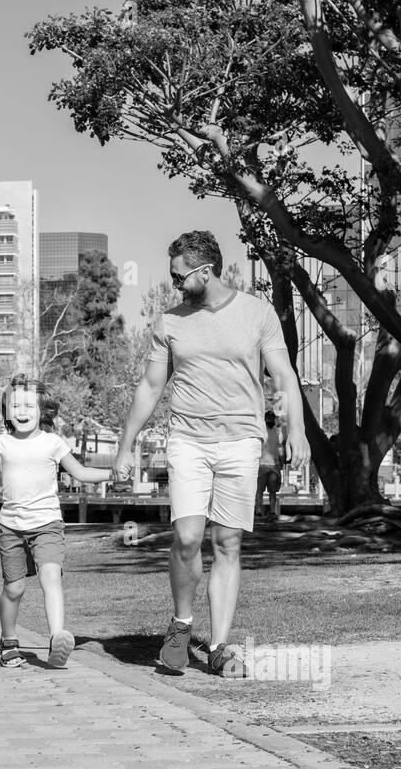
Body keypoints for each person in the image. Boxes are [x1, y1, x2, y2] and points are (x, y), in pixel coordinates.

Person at [113, 230, 307, 678]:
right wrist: (126, 444)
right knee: (186, 537)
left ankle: (219, 646)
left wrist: (297, 430)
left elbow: (283, 375)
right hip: (188, 440)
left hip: (241, 440)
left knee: (227, 542)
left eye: (180, 277)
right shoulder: (170, 322)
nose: (175, 285)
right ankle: (182, 624)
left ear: (205, 271)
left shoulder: (257, 314)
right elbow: (150, 386)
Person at [0, 374, 114, 669]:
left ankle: (57, 639)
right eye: (15, 405)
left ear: (43, 410)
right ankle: (7, 640)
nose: (23, 411)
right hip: (12, 528)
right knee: (14, 589)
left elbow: (80, 473)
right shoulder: (0, 444)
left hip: (48, 525)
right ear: (6, 411)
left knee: (50, 577)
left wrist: (111, 474)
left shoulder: (53, 443)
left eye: (29, 405)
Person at [256, 411, 285, 518]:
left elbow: (280, 447)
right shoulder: (260, 431)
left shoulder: (278, 432)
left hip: (274, 466)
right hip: (261, 465)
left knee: (273, 491)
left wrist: (282, 461)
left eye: (272, 418)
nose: (271, 420)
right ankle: (259, 511)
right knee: (259, 490)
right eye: (269, 418)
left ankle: (272, 511)